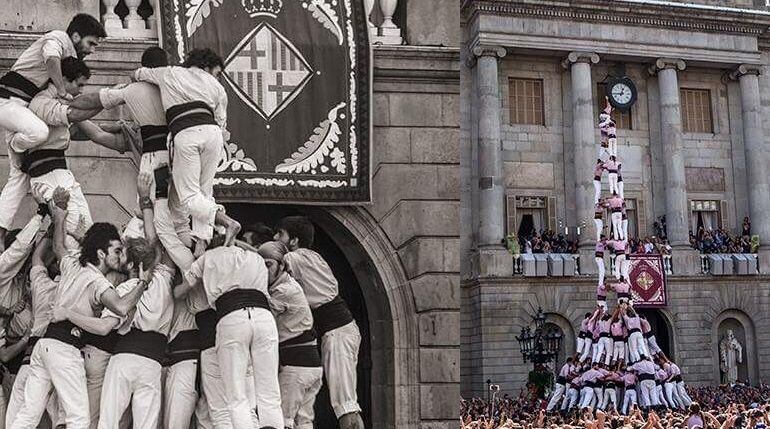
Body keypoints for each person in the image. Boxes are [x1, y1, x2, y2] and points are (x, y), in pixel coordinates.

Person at [10, 189, 149, 429]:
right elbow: (122, 306)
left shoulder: (73, 263)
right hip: (65, 347)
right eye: (116, 251)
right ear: (101, 253)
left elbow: (58, 247)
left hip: (44, 346)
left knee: (27, 416)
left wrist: (60, 216)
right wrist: (144, 282)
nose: (120, 256)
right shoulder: (98, 282)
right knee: (79, 419)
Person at [0, 14, 105, 251]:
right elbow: (50, 57)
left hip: (21, 109)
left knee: (17, 178)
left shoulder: (68, 58)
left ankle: (0, 231)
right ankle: (18, 145)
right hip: (7, 101)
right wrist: (61, 90)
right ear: (76, 36)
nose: (91, 50)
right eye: (91, 43)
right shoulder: (57, 38)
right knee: (39, 132)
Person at [134, 48, 240, 255]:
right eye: (216, 72)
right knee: (204, 192)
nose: (216, 77)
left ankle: (226, 221)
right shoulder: (216, 87)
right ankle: (201, 243)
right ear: (207, 67)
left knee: (189, 197)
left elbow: (139, 73)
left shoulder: (169, 72)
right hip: (212, 134)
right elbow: (221, 123)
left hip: (186, 133)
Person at [184, 233, 282, 429]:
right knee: (269, 392)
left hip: (232, 319)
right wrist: (235, 240)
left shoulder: (209, 257)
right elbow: (256, 251)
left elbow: (182, 289)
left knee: (236, 397)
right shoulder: (255, 258)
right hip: (263, 318)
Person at [276, 216, 365, 429]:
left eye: (280, 234)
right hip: (340, 331)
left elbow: (266, 256)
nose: (275, 238)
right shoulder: (313, 256)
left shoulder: (296, 257)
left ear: (294, 240)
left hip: (338, 334)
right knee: (345, 401)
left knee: (345, 405)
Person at [259, 241, 324, 429]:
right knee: (304, 421)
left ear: (282, 265)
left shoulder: (283, 291)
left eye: (269, 264)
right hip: (310, 365)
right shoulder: (290, 285)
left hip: (296, 367)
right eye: (261, 265)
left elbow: (263, 314)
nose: (265, 270)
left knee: (284, 420)